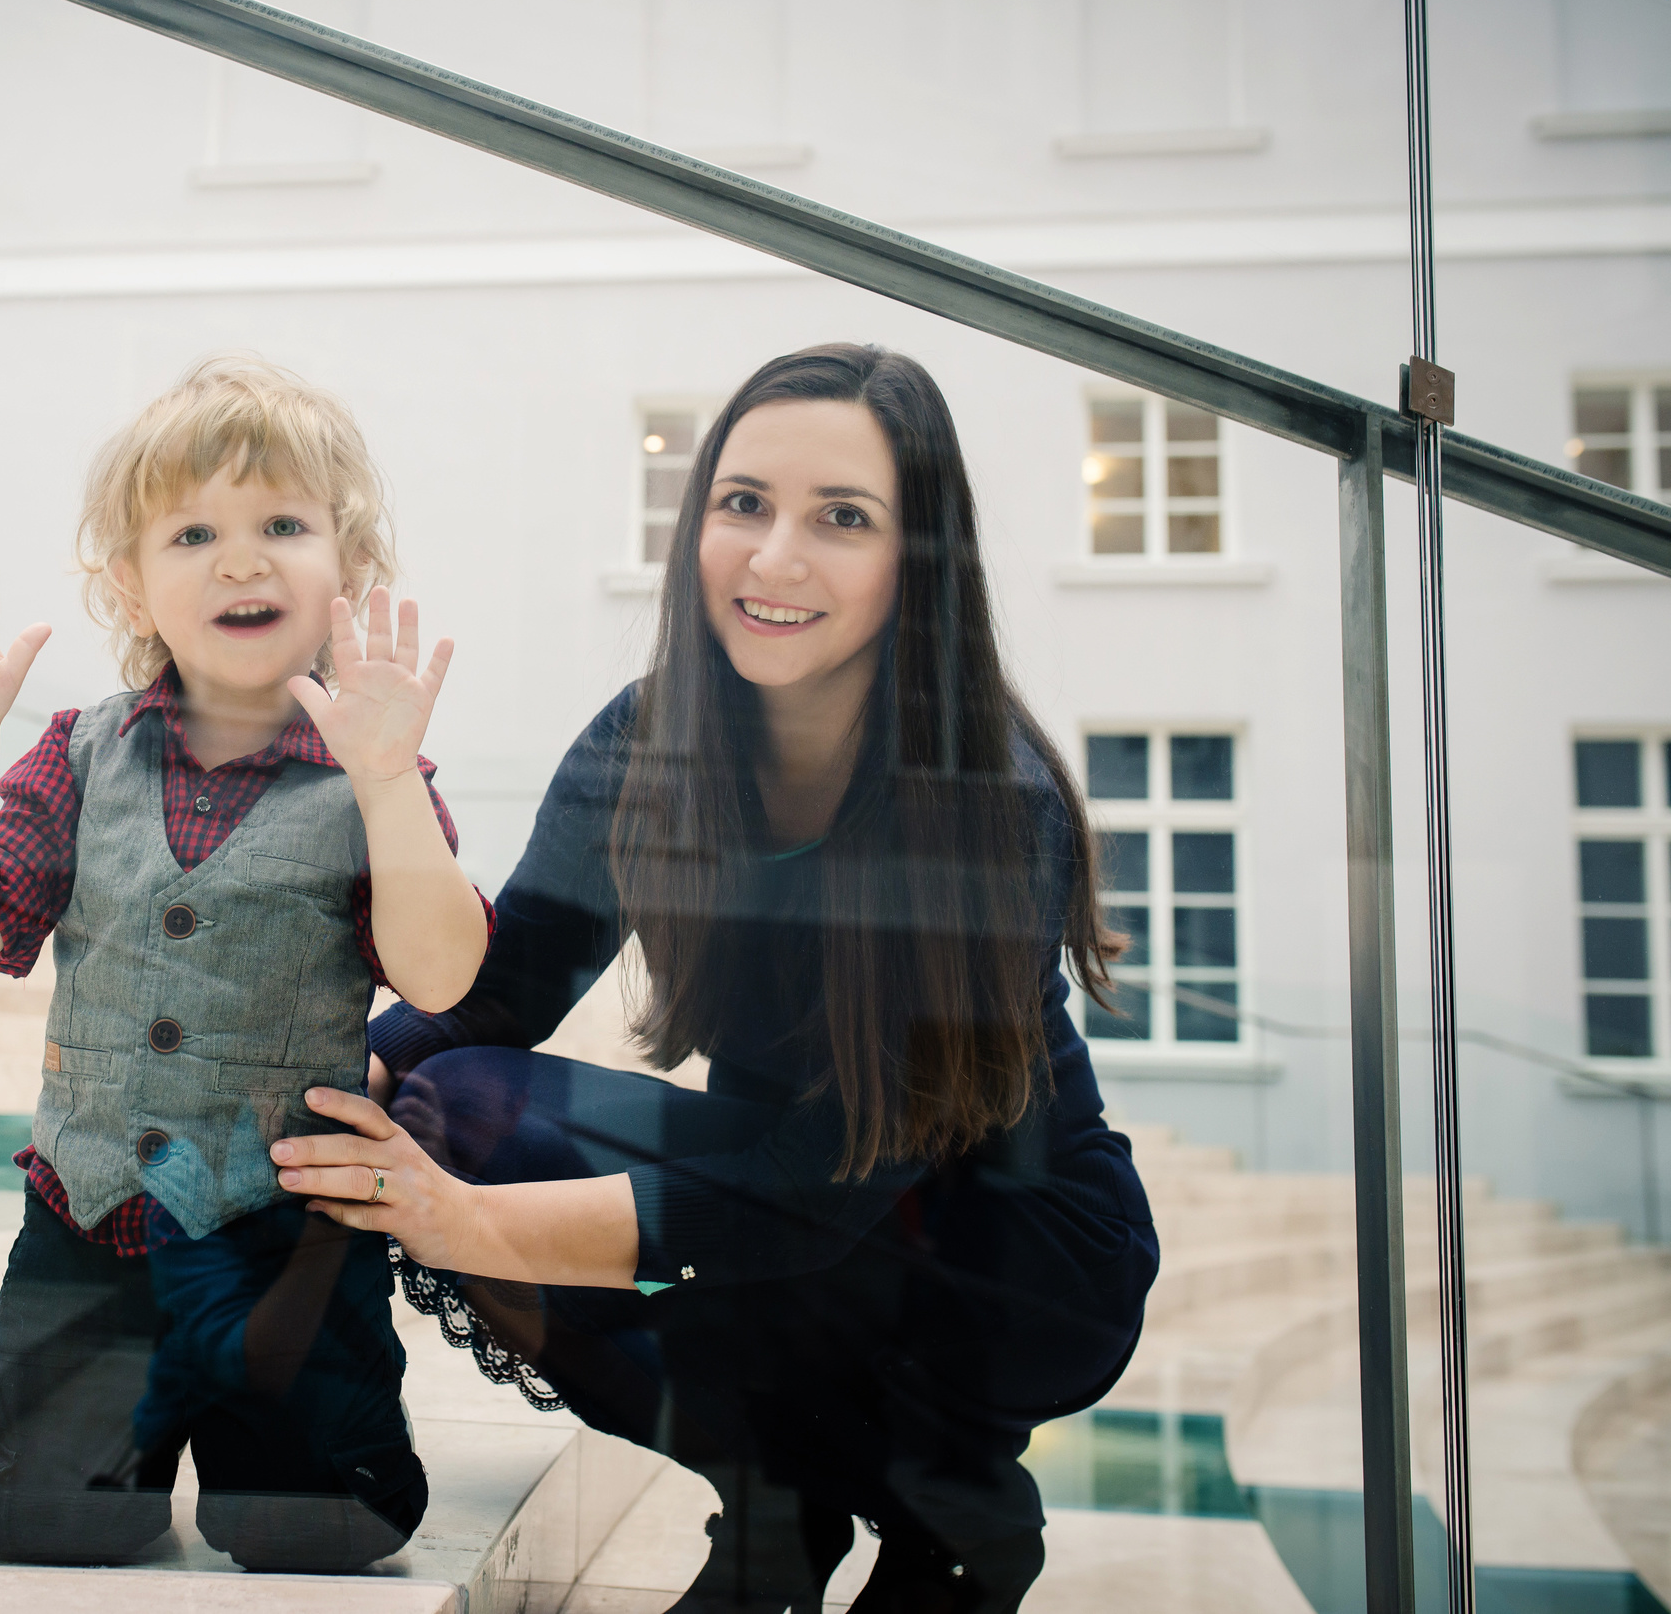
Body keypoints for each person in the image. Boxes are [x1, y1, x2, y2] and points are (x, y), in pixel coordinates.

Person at [266, 344, 1160, 1611]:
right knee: (454, 1102)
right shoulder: (646, 739)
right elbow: (504, 984)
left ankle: (953, 1507)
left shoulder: (990, 801)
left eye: (841, 518)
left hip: (1002, 1258)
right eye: (742, 504)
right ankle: (776, 1502)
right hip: (782, 1188)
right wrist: (316, 1078)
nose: (773, 557)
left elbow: (831, 1182)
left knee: (533, 1197)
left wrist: (472, 1226)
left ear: (920, 559)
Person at [0, 356, 489, 1572]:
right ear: (131, 580)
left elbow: (438, 974)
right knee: (39, 1517)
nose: (240, 558)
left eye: (282, 524)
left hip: (278, 1234)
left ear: (350, 572)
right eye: (194, 531)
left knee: (324, 1523)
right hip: (90, 1214)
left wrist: (386, 780)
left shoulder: (374, 773)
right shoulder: (79, 751)